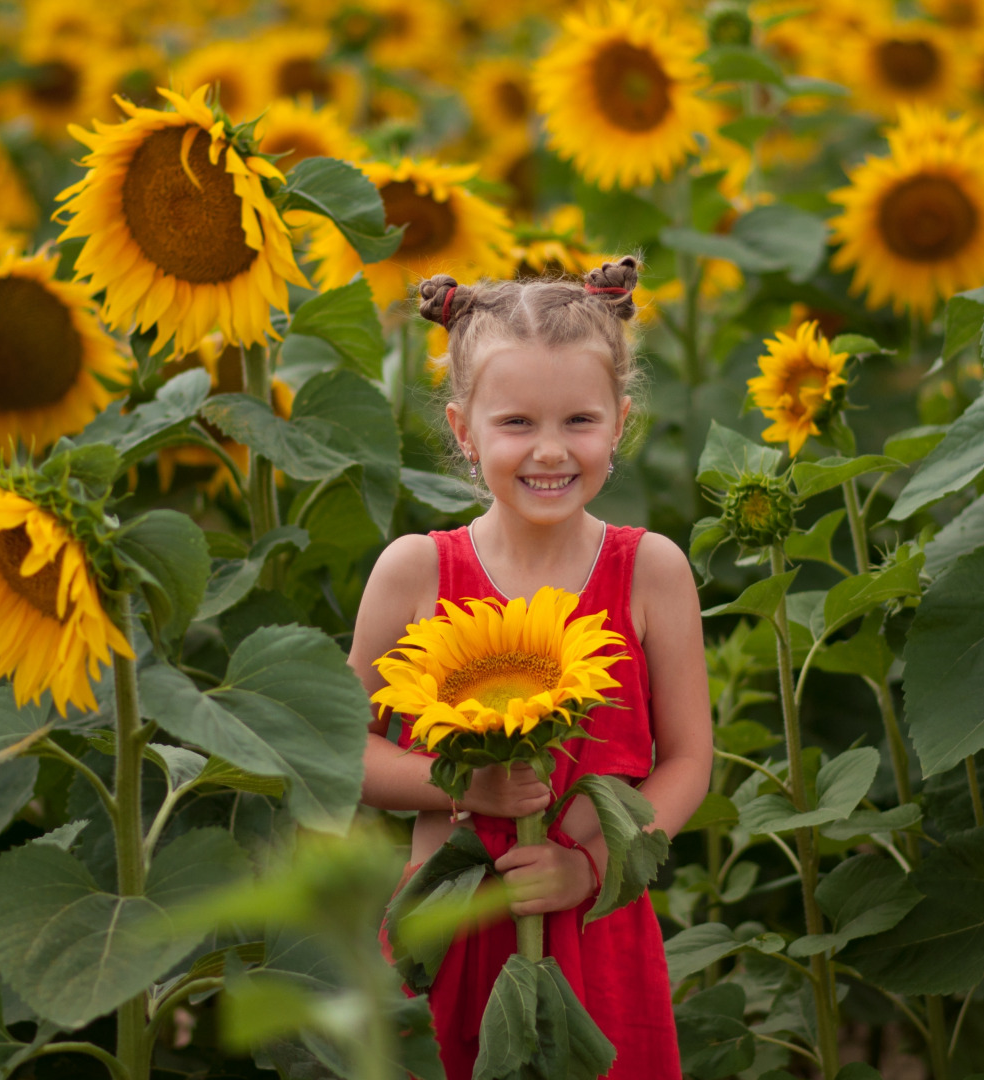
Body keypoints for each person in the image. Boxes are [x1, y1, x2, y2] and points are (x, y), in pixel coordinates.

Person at [347, 257, 713, 1079]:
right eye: (516, 423)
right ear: (464, 429)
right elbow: (342, 749)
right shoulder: (414, 572)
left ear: (620, 423)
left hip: (595, 922)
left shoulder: (650, 570)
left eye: (579, 420)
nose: (550, 451)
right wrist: (463, 789)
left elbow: (689, 760)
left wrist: (588, 866)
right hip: (449, 921)